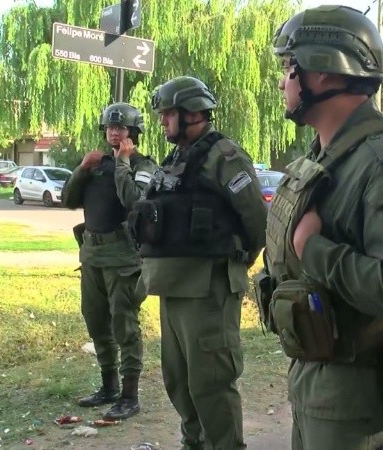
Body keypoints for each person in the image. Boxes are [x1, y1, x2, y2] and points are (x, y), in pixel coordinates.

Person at [264, 5, 383, 449]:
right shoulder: (328, 155)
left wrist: (314, 249)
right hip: (317, 374)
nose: (284, 81)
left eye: (290, 67)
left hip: (358, 398)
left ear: (322, 73)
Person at [133, 76, 267, 449]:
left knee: (210, 382)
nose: (161, 121)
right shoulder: (176, 158)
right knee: (178, 381)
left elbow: (256, 219)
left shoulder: (223, 157)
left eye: (167, 114)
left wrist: (237, 263)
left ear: (192, 113)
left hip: (208, 287)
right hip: (170, 286)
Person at [62, 102, 157, 420]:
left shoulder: (143, 164)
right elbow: (68, 200)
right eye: (110, 127)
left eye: (122, 128)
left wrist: (123, 163)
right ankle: (109, 387)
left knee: (124, 324)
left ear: (134, 133)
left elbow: (134, 199)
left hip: (122, 257)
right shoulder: (95, 163)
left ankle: (129, 396)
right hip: (91, 254)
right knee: (96, 320)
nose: (115, 132)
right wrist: (82, 169)